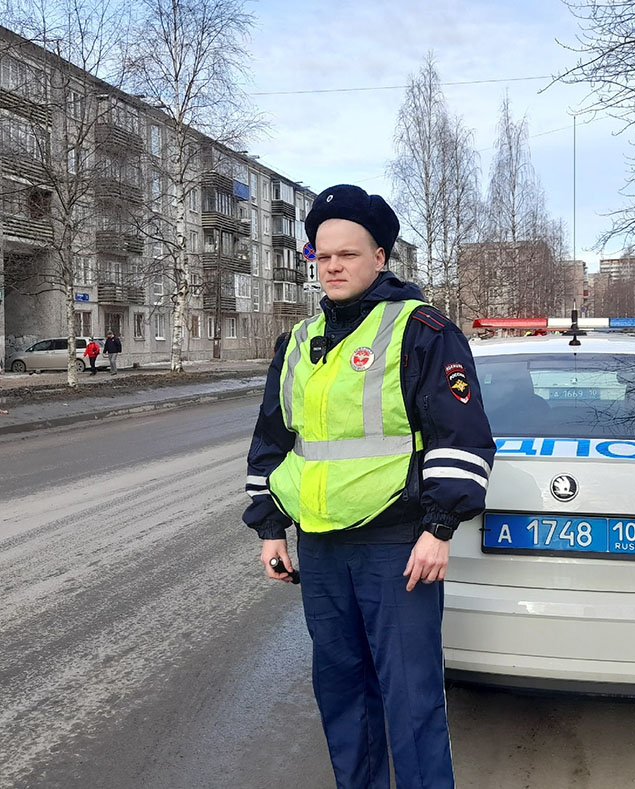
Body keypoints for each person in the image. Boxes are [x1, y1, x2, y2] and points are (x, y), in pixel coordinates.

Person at [243, 184, 495, 789]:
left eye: (347, 254)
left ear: (380, 256)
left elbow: (460, 437)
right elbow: (275, 439)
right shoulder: (300, 341)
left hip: (398, 547)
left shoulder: (422, 330)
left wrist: (438, 529)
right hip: (322, 548)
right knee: (342, 695)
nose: (332, 265)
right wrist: (269, 525)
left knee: (410, 702)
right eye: (321, 255)